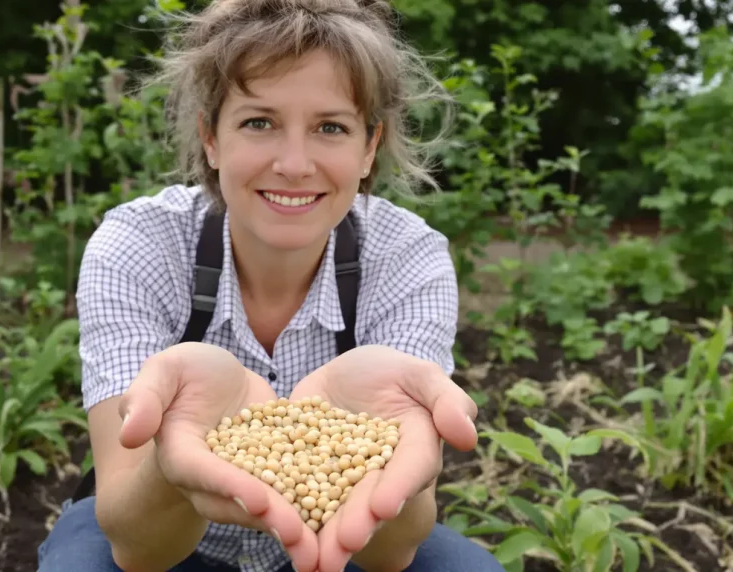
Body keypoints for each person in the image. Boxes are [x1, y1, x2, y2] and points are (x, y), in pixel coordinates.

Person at [37, 0, 503, 571]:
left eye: (331, 127)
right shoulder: (139, 243)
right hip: (170, 527)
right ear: (211, 137)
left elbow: (392, 552)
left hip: (340, 525)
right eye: (259, 122)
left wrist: (387, 474)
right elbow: (136, 548)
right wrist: (171, 463)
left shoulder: (407, 255)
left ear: (369, 148)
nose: (294, 163)